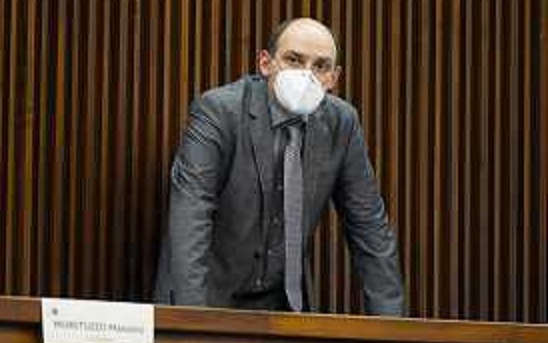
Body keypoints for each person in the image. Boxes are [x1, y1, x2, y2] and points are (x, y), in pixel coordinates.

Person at [154, 18, 404, 316]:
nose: (307, 75)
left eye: (320, 66)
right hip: (207, 299)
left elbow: (370, 228)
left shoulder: (342, 123)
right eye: (294, 60)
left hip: (285, 311)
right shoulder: (219, 111)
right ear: (266, 63)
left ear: (333, 78)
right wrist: (193, 322)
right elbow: (191, 215)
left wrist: (392, 329)